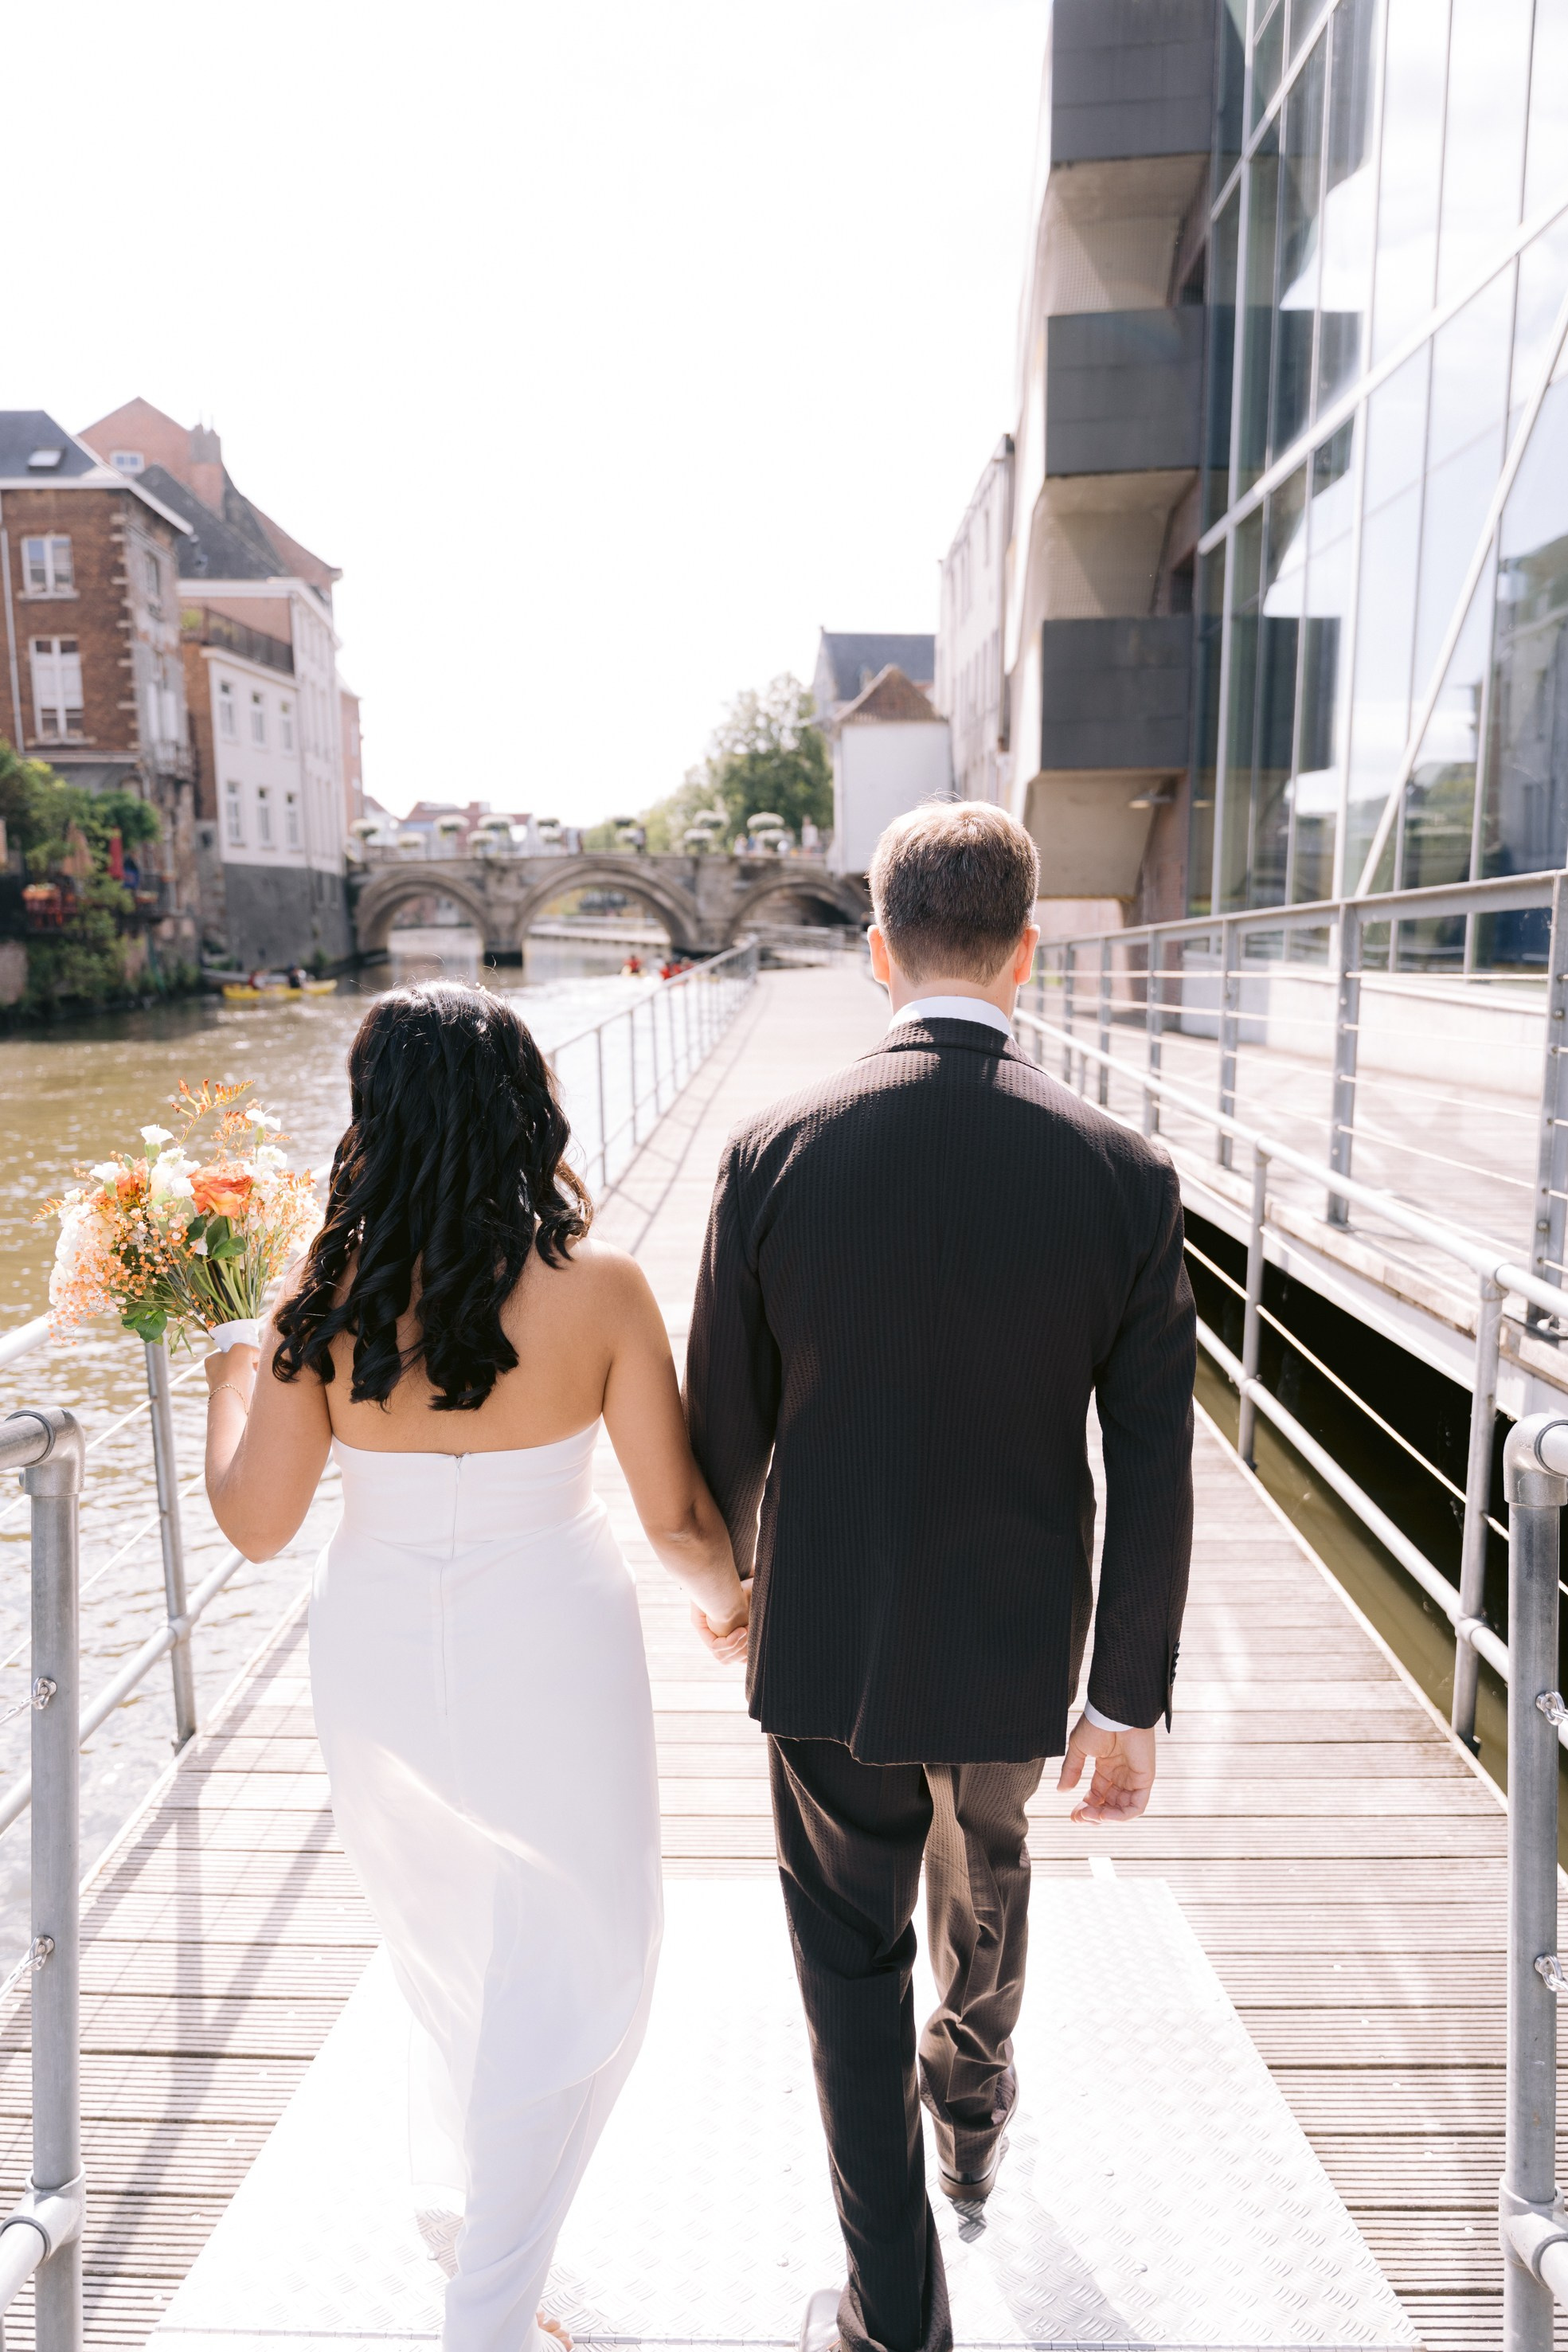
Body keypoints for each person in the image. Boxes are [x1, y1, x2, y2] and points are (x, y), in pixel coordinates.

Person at [684, 802, 1195, 2352]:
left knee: (848, 1969)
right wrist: (1123, 1699)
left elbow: (722, 1430)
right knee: (987, 1880)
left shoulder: (773, 1149)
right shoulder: (1125, 1172)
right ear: (1025, 954)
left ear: (877, 953)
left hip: (825, 1637)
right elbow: (1153, 1464)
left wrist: (733, 1592)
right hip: (1013, 1638)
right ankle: (971, 2116)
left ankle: (893, 2313)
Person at [202, 982, 749, 2352]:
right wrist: (728, 1607)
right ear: (525, 1110)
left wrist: (228, 1369)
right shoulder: (601, 1289)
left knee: (445, 1937)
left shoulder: (320, 1299)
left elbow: (257, 1523)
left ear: (373, 1117)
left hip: (377, 1642)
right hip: (554, 1635)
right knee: (594, 1945)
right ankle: (490, 2304)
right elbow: (678, 1518)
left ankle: (473, 2221)